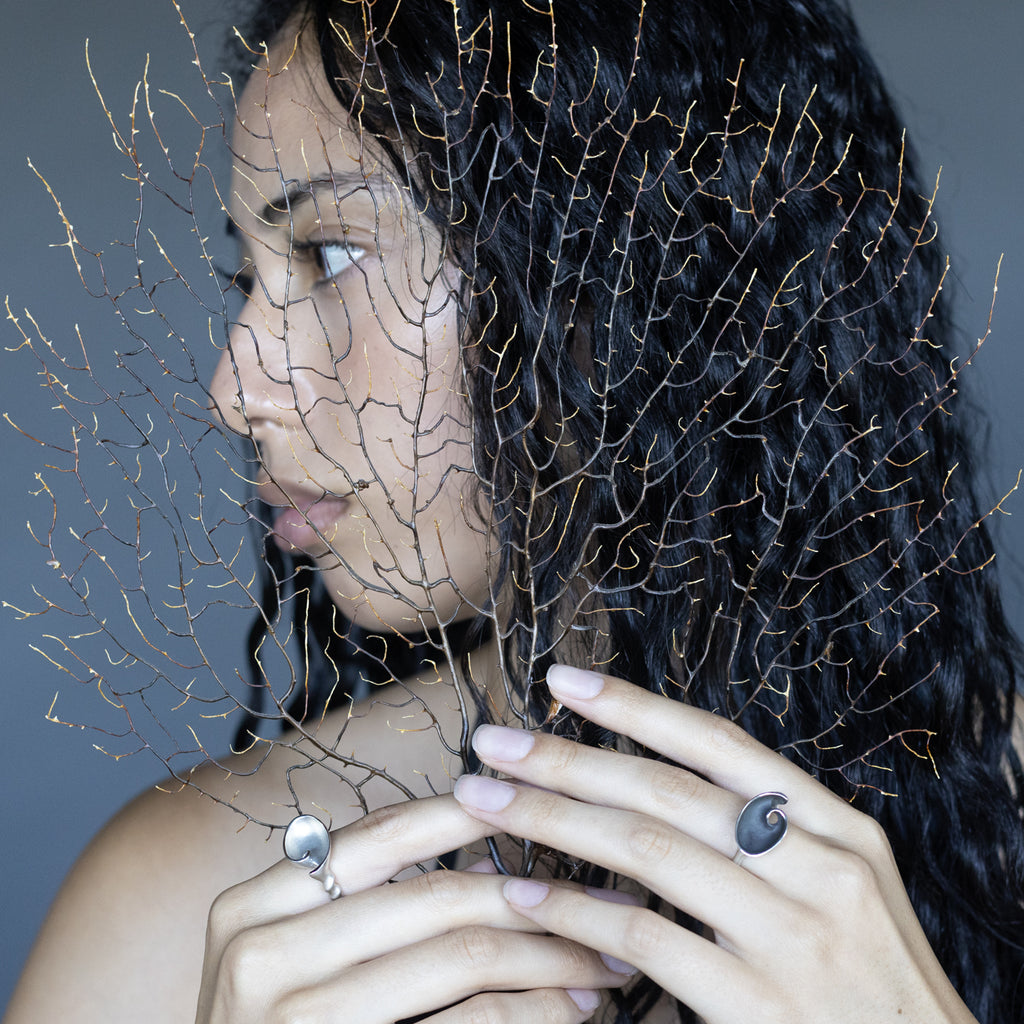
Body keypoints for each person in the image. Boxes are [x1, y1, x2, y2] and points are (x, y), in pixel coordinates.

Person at [5, 0, 1023, 1021]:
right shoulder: (176, 908)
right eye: (249, 276)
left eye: (329, 256)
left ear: (623, 259)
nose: (235, 390)